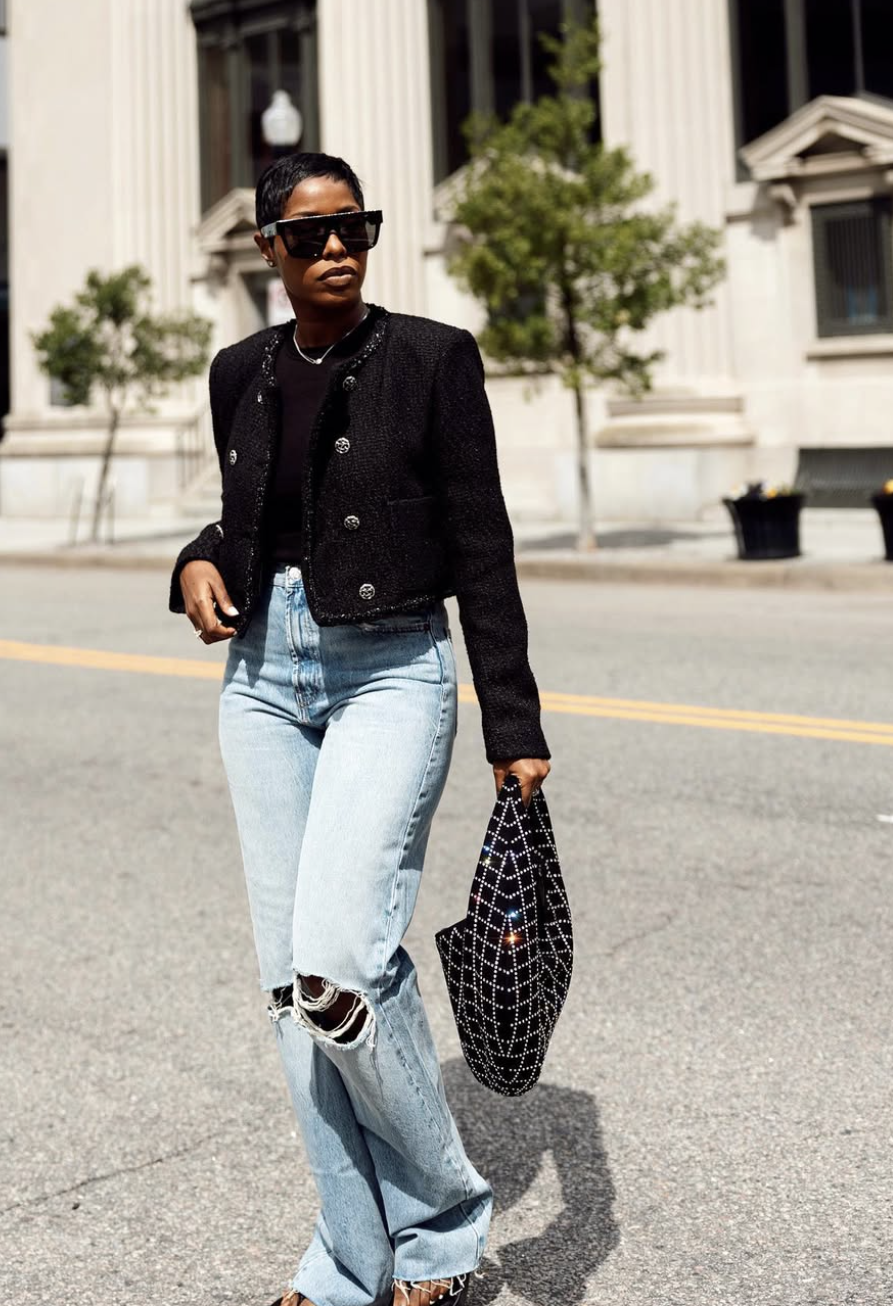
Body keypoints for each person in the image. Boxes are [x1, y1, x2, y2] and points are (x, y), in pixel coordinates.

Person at [169, 151, 551, 1306]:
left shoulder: (433, 359)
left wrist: (512, 721)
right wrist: (193, 559)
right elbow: (255, 517)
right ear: (268, 249)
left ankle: (437, 1220)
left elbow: (479, 537)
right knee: (291, 992)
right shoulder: (239, 369)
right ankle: (348, 1251)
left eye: (357, 227)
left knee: (340, 961)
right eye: (313, 232)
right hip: (262, 677)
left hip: (391, 668)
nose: (339, 247)